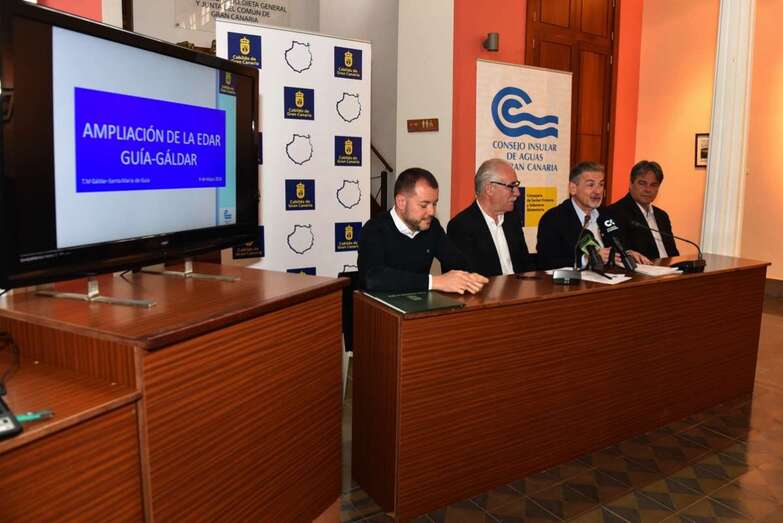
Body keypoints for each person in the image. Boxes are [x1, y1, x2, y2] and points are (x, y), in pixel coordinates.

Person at [358, 167, 488, 293]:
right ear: (401, 202)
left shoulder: (432, 227)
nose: (432, 212)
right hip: (377, 306)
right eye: (424, 205)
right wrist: (434, 282)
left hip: (420, 304)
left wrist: (470, 277)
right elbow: (373, 278)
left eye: (434, 204)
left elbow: (457, 261)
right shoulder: (374, 229)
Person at [536, 161, 650, 270]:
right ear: (573, 188)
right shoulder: (553, 219)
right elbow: (547, 262)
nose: (598, 191)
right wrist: (588, 259)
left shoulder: (608, 215)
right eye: (591, 185)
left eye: (601, 185)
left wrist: (626, 254)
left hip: (612, 279)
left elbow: (613, 247)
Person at [447, 159, 536, 276]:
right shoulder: (461, 227)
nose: (517, 193)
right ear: (490, 189)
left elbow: (525, 266)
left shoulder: (512, 218)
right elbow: (468, 278)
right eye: (512, 186)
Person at [605, 160, 679, 260]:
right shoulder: (614, 212)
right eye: (642, 183)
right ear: (631, 184)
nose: (648, 189)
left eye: (653, 185)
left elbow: (673, 253)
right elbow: (619, 252)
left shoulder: (662, 216)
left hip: (669, 268)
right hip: (643, 269)